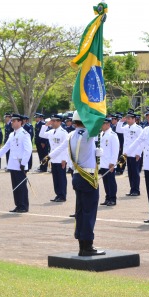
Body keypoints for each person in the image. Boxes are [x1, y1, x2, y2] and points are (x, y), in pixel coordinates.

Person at [67, 110, 105, 256]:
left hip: (77, 175)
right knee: (89, 212)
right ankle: (87, 245)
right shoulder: (89, 133)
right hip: (88, 176)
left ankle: (82, 245)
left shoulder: (70, 135)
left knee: (81, 211)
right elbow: (99, 122)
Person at [0, 113, 32, 213]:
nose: (12, 122)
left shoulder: (24, 134)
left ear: (20, 122)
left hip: (21, 165)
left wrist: (23, 163)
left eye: (14, 121)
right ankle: (18, 205)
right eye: (12, 121)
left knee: (21, 186)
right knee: (15, 186)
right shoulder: (12, 134)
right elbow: (6, 147)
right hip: (13, 164)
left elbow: (28, 150)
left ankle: (24, 206)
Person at [39, 114, 69, 203]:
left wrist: (65, 159)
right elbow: (41, 134)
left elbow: (66, 147)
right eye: (52, 121)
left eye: (54, 121)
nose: (52, 123)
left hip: (61, 159)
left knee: (61, 178)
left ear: (59, 122)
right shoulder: (51, 132)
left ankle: (62, 195)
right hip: (53, 159)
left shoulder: (64, 132)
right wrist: (45, 125)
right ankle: (58, 194)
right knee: (55, 178)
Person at [116, 109, 143, 196]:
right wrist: (120, 121)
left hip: (135, 154)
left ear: (134, 119)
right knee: (130, 173)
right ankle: (132, 189)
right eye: (127, 118)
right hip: (127, 154)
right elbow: (118, 129)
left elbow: (142, 141)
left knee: (135, 173)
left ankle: (136, 190)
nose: (127, 120)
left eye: (129, 119)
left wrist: (139, 153)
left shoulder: (138, 128)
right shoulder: (126, 128)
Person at [98, 117, 120, 206]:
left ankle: (112, 198)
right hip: (103, 162)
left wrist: (113, 162)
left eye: (102, 124)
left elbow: (115, 150)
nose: (101, 126)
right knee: (105, 182)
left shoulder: (112, 135)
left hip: (109, 162)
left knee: (111, 181)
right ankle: (107, 198)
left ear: (108, 124)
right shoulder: (101, 134)